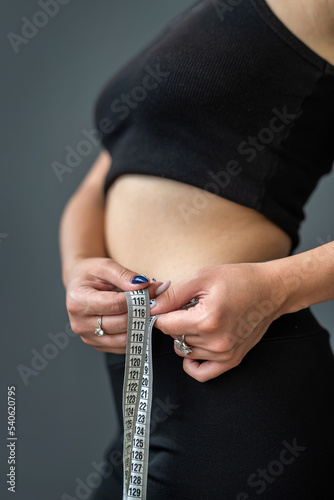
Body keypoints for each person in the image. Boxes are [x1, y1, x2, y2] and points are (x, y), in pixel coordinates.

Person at [59, 0, 334, 498]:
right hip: (143, 396)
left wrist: (277, 288)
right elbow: (93, 188)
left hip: (243, 390)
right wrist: (76, 270)